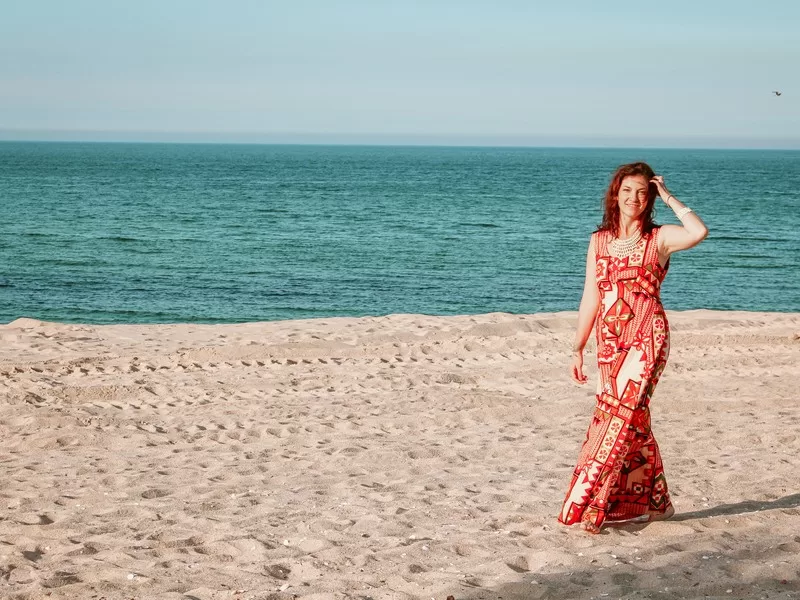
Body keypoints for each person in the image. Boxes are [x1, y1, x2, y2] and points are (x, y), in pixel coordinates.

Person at [558, 162, 708, 534]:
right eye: (627, 190)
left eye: (642, 192)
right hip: (609, 341)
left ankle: (592, 504)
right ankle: (658, 503)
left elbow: (698, 231)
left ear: (650, 198)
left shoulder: (660, 238)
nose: (634, 198)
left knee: (620, 416)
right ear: (615, 194)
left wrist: (669, 196)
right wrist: (577, 347)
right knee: (631, 419)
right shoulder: (599, 241)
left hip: (647, 337)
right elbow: (591, 296)